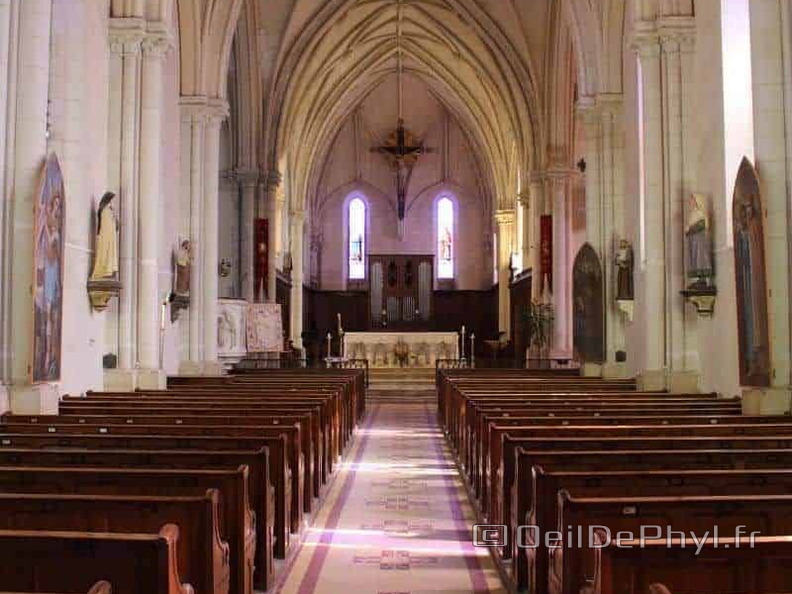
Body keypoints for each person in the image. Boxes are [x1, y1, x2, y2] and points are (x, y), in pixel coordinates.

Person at [90, 192, 118, 280]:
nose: (113, 203)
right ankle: (105, 270)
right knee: (105, 252)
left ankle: (109, 270)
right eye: (112, 201)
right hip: (106, 238)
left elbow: (114, 226)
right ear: (108, 200)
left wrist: (115, 220)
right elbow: (106, 227)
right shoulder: (105, 211)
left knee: (110, 253)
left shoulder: (110, 211)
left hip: (110, 239)